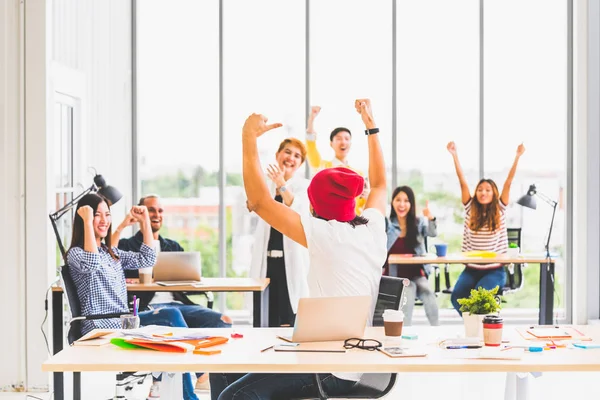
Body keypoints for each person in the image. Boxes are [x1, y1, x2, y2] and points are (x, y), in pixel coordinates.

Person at [210, 98, 388, 400]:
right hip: (331, 354)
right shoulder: (372, 227)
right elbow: (381, 185)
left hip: (330, 371)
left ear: (315, 207)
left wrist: (248, 137)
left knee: (234, 396)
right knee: (222, 369)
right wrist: (371, 127)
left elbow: (259, 200)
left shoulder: (323, 234)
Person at [66, 193, 200, 400]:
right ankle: (187, 394)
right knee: (170, 319)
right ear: (84, 218)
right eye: (97, 215)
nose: (104, 220)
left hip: (121, 323)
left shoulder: (109, 253)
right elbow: (91, 263)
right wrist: (85, 219)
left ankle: (178, 390)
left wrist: (145, 221)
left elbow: (148, 257)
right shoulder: (76, 254)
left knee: (172, 316)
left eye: (107, 215)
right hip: (99, 327)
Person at [116, 194, 232, 393]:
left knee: (223, 320)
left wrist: (189, 277)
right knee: (175, 321)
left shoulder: (173, 247)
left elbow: (188, 281)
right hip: (148, 307)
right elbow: (113, 269)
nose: (156, 214)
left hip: (178, 304)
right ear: (140, 213)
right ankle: (192, 376)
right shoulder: (126, 246)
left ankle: (217, 384)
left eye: (160, 210)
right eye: (151, 210)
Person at [447, 141, 526, 314]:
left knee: (480, 298)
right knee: (457, 296)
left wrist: (517, 157)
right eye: (480, 189)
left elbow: (508, 182)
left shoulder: (500, 209)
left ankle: (481, 333)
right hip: (471, 269)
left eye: (488, 190)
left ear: (494, 193)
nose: (483, 192)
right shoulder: (470, 209)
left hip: (495, 271)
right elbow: (462, 182)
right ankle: (474, 329)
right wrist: (454, 155)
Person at [249, 138, 310, 327]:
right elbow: (251, 204)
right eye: (287, 152)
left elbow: (297, 209)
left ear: (300, 164)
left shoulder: (304, 187)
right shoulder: (264, 184)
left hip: (290, 263)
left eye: (297, 156)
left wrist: (282, 184)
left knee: (288, 320)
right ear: (277, 155)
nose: (291, 158)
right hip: (266, 262)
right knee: (264, 318)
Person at [384, 186, 439, 326]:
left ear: (411, 204)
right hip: (396, 275)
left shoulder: (418, 222)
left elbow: (432, 233)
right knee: (408, 291)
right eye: (398, 200)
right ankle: (404, 334)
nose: (402, 204)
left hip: (417, 273)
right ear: (392, 203)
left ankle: (436, 329)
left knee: (428, 293)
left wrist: (430, 218)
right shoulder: (387, 224)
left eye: (406, 200)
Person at [305, 105, 368, 215]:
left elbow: (361, 205)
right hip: (328, 222)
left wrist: (367, 197)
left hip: (352, 225)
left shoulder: (358, 174)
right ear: (331, 143)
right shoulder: (322, 167)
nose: (343, 142)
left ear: (350, 144)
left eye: (347, 139)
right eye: (338, 139)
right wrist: (311, 120)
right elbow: (311, 147)